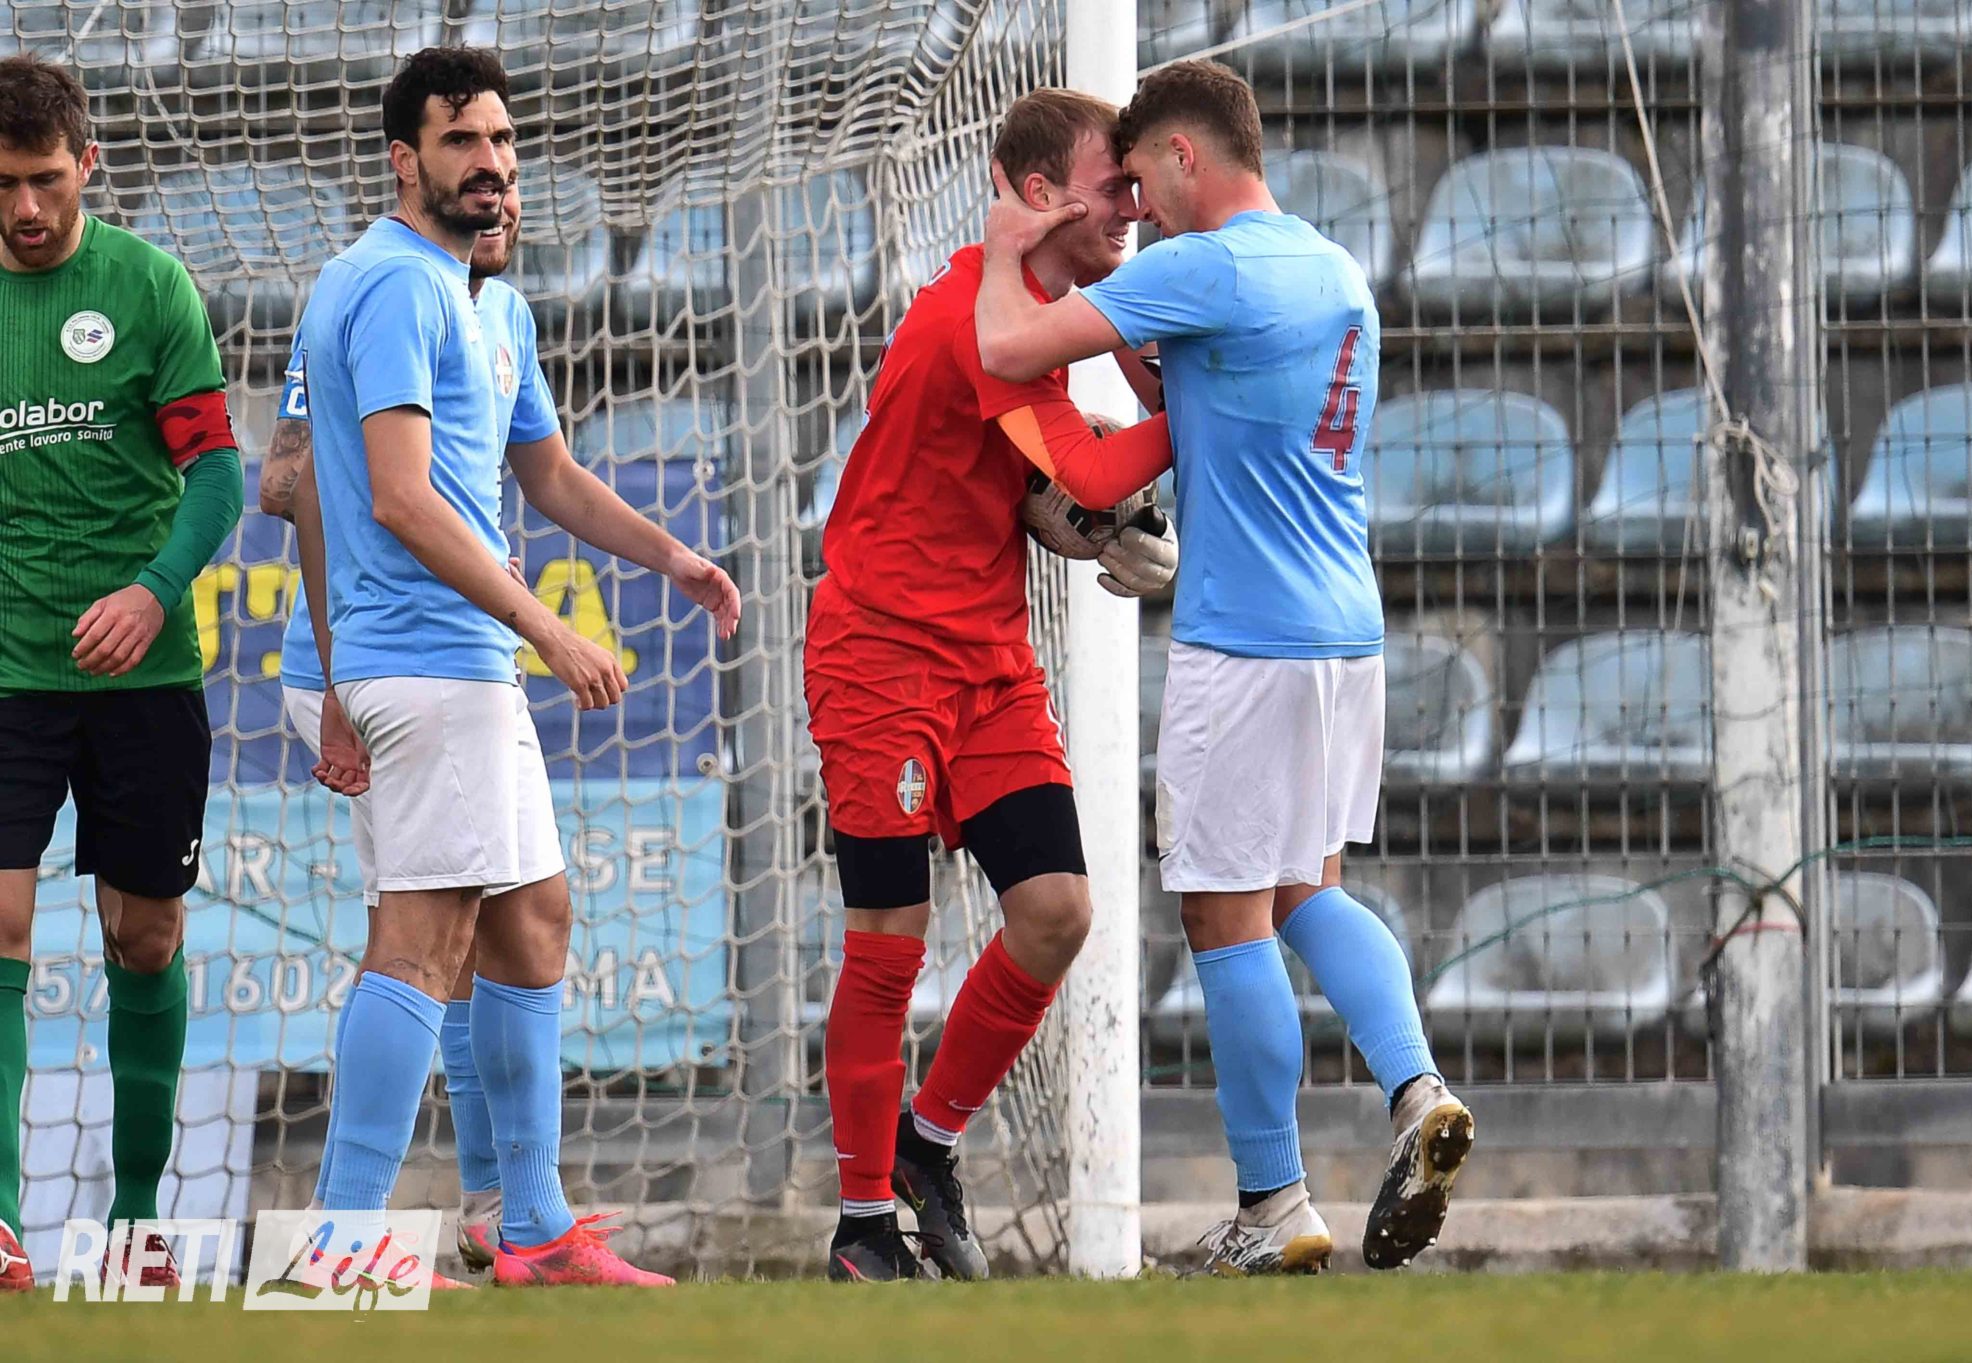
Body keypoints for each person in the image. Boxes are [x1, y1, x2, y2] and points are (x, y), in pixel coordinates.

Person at [974, 59, 1475, 1275]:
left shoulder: (1203, 266)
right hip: (1343, 630)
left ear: (1185, 155)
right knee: (1306, 888)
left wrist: (1002, 245)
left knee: (1220, 911)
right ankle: (1415, 1088)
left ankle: (1271, 1201)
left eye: (1141, 179)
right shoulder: (1332, 268)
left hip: (1242, 640)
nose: (1136, 207)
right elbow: (1215, 394)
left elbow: (1005, 342)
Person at [293, 45, 736, 1290]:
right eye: (461, 142)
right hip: (428, 657)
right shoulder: (396, 283)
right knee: (422, 946)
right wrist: (548, 626)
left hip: (453, 660)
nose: (489, 162)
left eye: (499, 140)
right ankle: (337, 1246)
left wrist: (671, 557)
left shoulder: (474, 297)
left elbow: (545, 474)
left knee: (532, 922)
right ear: (404, 160)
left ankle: (531, 1224)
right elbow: (396, 498)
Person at [807, 87, 1178, 1283]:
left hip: (987, 661)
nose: (1131, 207)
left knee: (1058, 910)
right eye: (1112, 186)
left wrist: (1095, 521)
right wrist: (1190, 420)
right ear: (1035, 194)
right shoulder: (979, 318)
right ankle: (862, 1226)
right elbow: (1085, 475)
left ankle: (924, 1143)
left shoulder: (1031, 314)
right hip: (880, 656)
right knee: (888, 943)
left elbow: (1035, 489)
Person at [0, 55, 244, 1292]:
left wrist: (152, 592)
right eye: (3, 184)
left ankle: (138, 1225)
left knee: (142, 936)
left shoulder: (149, 288)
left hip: (144, 675)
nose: (25, 208)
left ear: (87, 165)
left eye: (46, 179)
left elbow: (218, 474)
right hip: (8, 671)